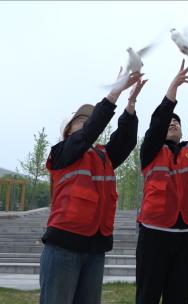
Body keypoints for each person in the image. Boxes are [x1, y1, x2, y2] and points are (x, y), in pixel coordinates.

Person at [40, 69, 145, 304]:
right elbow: (89, 133)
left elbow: (125, 140)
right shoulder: (62, 152)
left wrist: (130, 103)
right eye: (81, 120)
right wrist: (115, 92)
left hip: (95, 247)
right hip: (63, 246)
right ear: (68, 130)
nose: (87, 122)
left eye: (90, 119)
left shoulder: (102, 156)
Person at [135, 59, 188, 304]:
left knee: (179, 297)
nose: (173, 124)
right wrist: (173, 89)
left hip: (185, 233)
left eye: (177, 123)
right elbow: (158, 123)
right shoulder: (150, 151)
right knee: (148, 295)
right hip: (154, 233)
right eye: (171, 122)